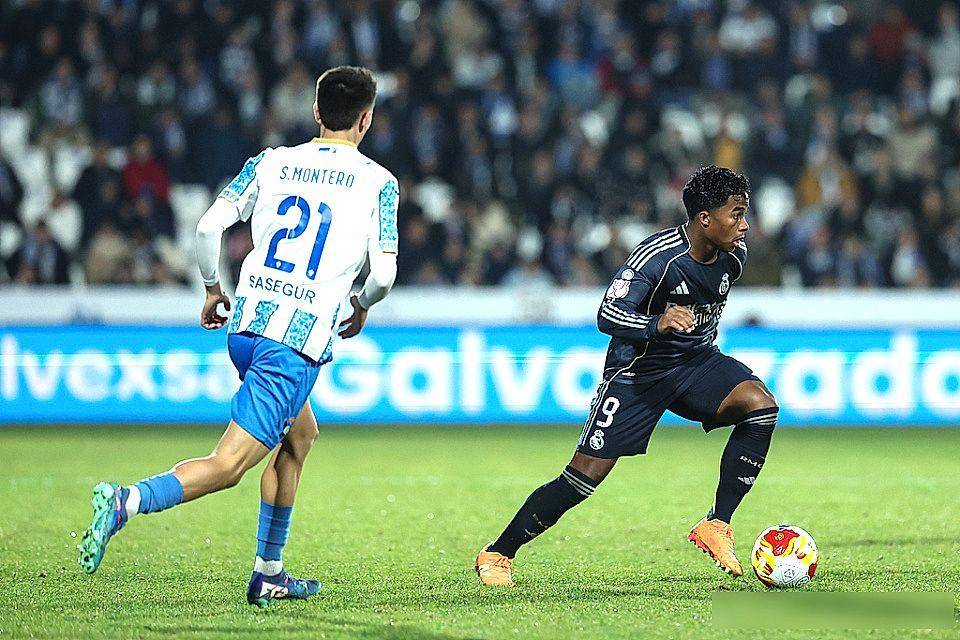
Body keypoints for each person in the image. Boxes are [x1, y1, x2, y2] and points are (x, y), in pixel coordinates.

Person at [77, 66, 400, 607]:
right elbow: (384, 275)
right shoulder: (378, 182)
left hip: (247, 327)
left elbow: (208, 227)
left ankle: (269, 572)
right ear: (366, 120)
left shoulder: (272, 161)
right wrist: (361, 304)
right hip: (292, 344)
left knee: (299, 436)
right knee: (228, 466)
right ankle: (126, 501)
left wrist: (211, 288)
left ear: (316, 111)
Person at [475, 166, 777, 586]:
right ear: (705, 218)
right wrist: (657, 323)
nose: (744, 225)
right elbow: (608, 314)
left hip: (696, 362)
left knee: (760, 407)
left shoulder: (734, 255)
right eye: (737, 214)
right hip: (638, 373)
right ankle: (498, 553)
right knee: (582, 479)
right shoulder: (658, 257)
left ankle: (716, 523)